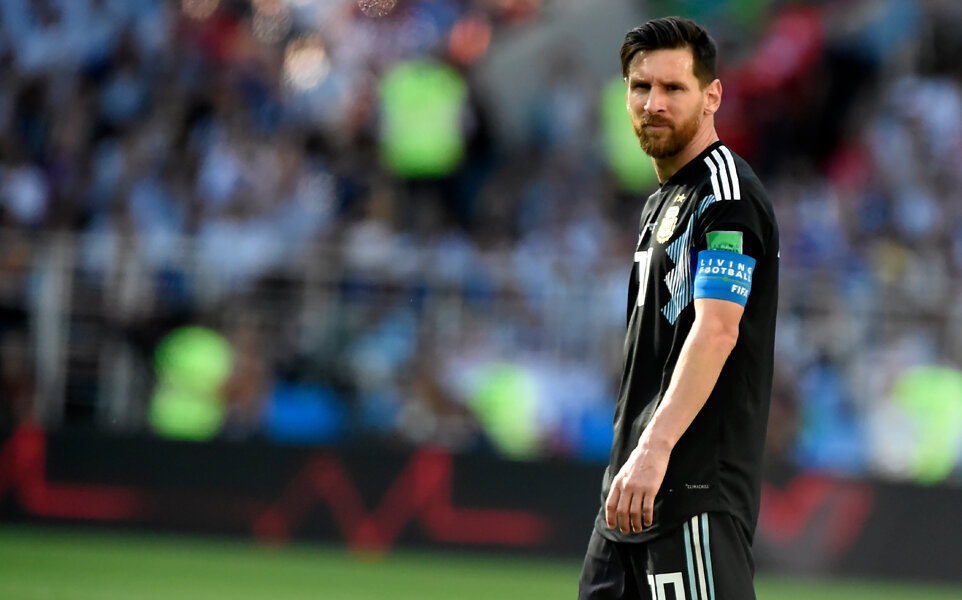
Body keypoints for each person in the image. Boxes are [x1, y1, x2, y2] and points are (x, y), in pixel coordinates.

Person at [578, 17, 779, 600]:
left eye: (673, 87)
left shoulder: (726, 196)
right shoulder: (662, 202)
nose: (654, 103)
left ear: (712, 96)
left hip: (690, 495)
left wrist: (655, 447)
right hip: (628, 495)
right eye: (641, 87)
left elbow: (717, 330)